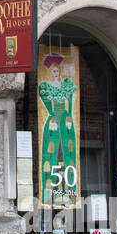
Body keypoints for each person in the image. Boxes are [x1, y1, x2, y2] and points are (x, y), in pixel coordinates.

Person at [38, 52, 77, 209]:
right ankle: (49, 195)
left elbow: (70, 103)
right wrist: (53, 115)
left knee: (68, 155)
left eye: (57, 71)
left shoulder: (66, 85)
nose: (56, 73)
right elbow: (47, 103)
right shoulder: (46, 87)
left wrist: (68, 117)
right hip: (53, 122)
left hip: (66, 122)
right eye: (53, 71)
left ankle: (70, 194)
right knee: (50, 155)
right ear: (50, 72)